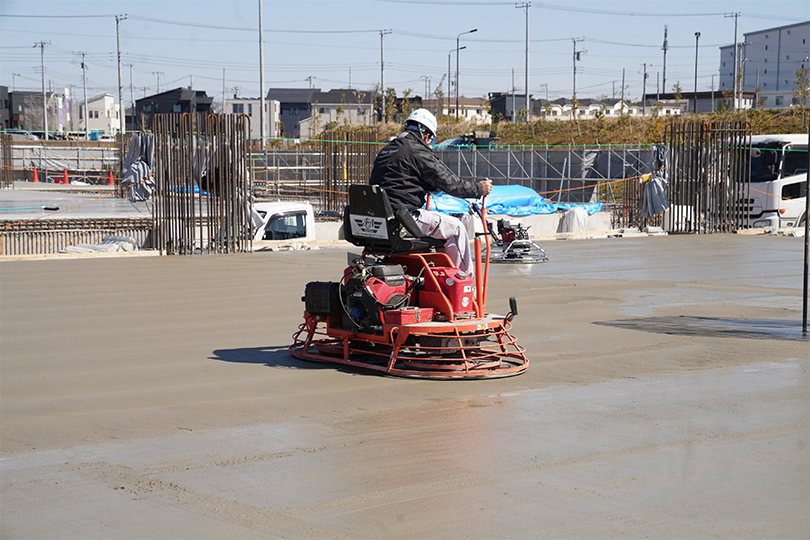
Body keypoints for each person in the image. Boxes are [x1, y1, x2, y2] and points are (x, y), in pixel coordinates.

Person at [368, 108, 492, 274]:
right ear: (425, 135)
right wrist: (479, 188)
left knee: (441, 228)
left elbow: (400, 180)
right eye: (429, 140)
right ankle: (465, 287)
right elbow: (450, 183)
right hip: (403, 219)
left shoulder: (388, 149)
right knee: (456, 229)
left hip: (379, 221)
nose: (428, 144)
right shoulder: (417, 150)